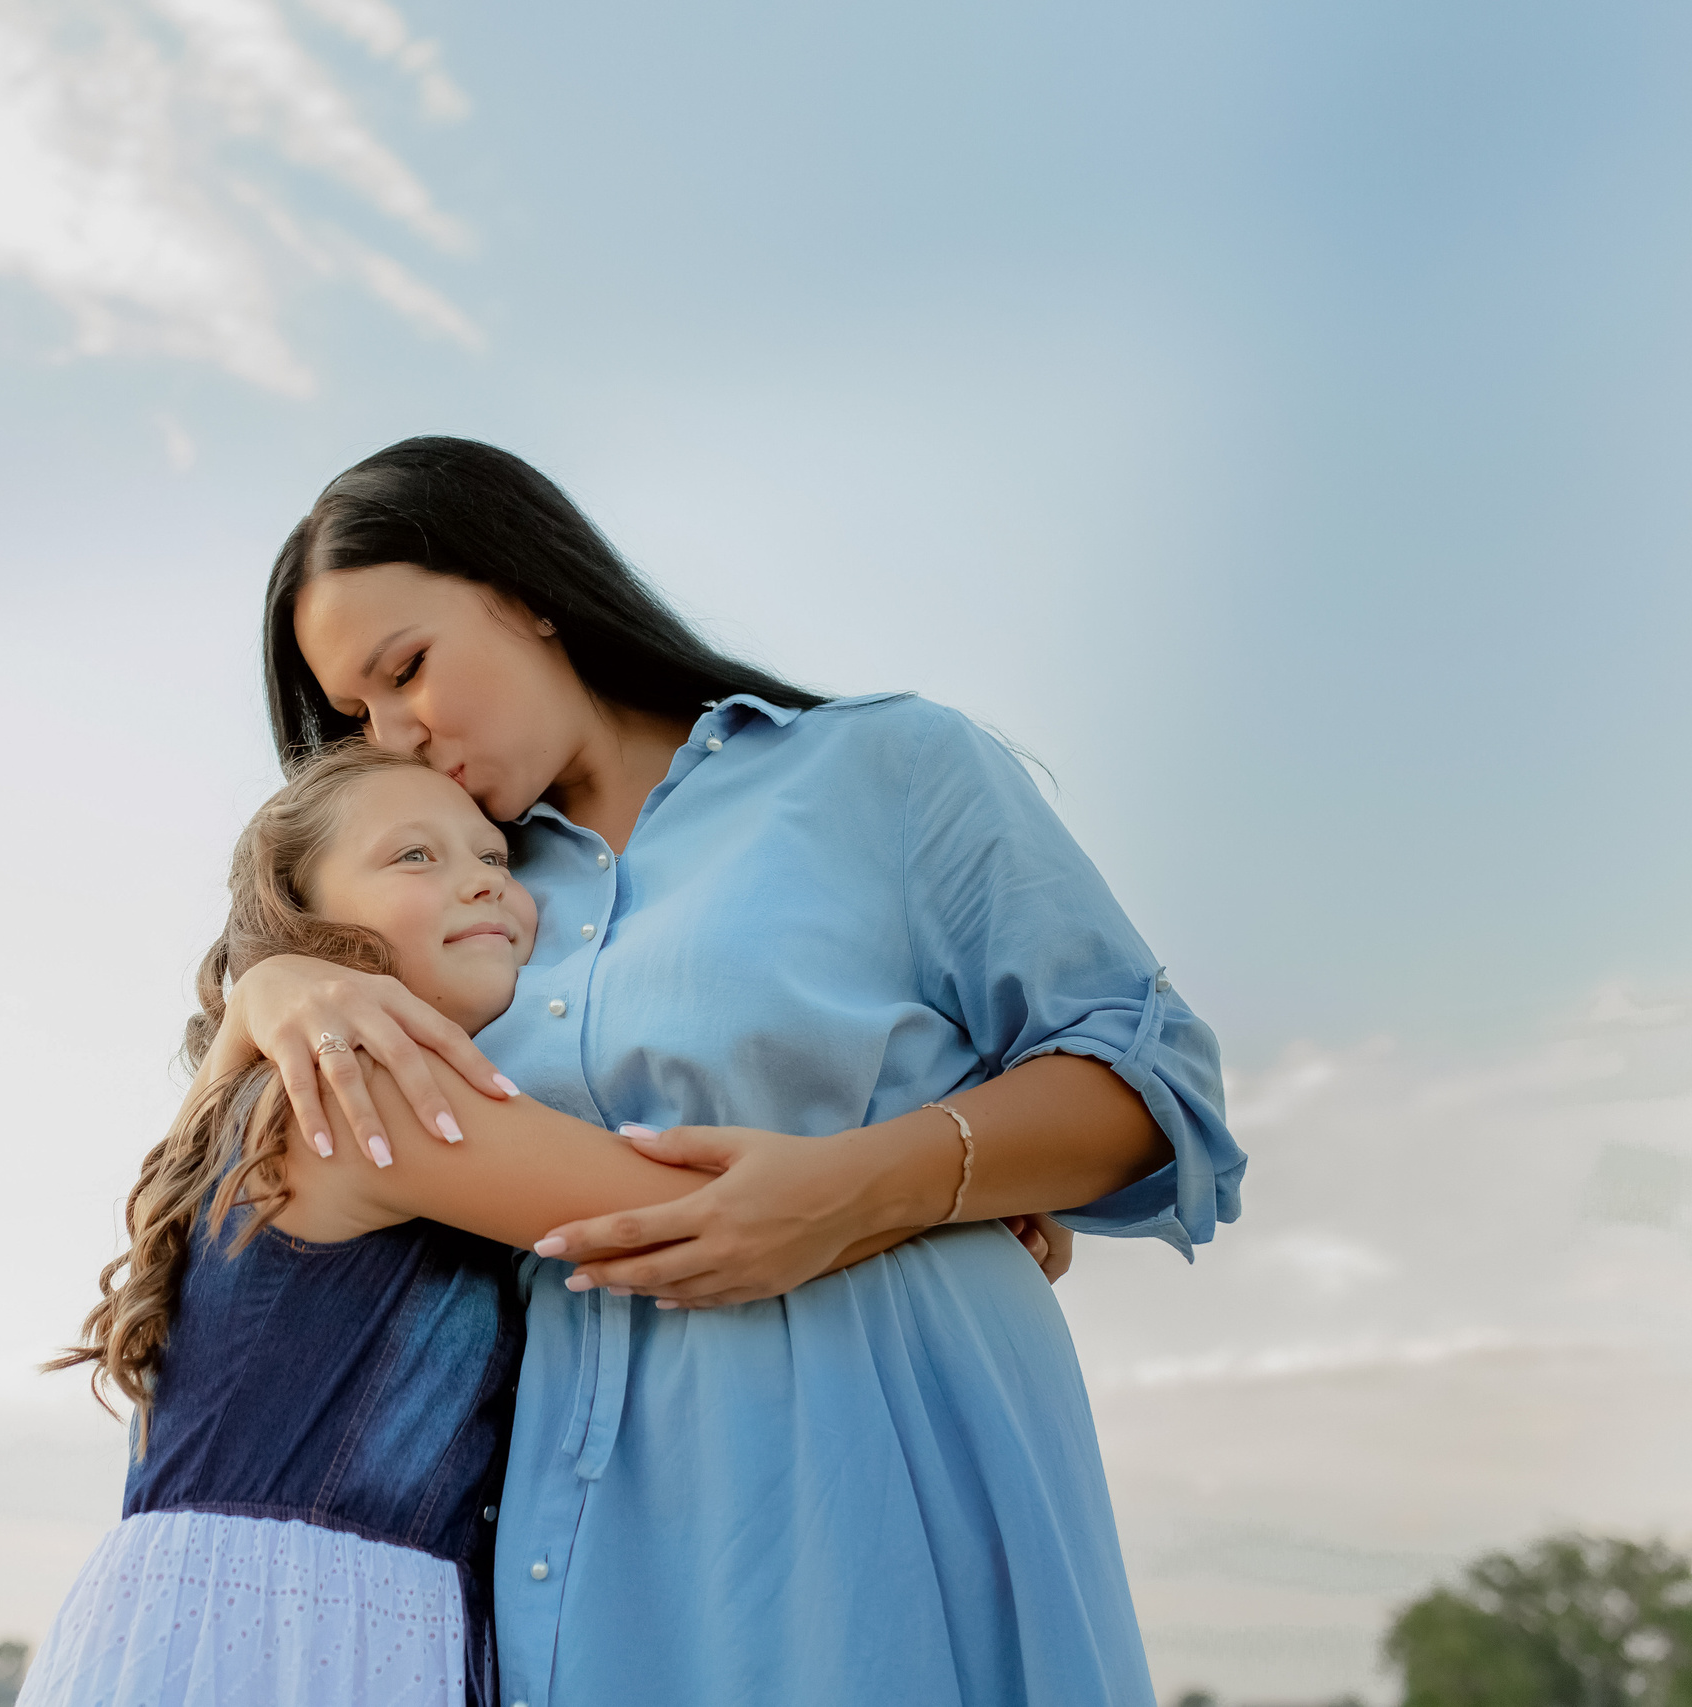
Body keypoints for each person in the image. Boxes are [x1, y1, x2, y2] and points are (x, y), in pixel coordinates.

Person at [201, 437, 1248, 1705]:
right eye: (359, 717)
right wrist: (267, 982)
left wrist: (883, 1180)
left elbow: (1154, 1088)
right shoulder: (461, 896)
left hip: (900, 1468)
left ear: (524, 587)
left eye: (407, 668)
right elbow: (303, 1153)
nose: (398, 734)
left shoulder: (884, 771)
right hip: (585, 1535)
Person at [29, 744, 950, 1707]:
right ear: (306, 926)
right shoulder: (359, 1098)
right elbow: (695, 1213)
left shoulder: (281, 1099)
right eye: (414, 858)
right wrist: (942, 1188)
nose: (480, 883)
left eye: (495, 860)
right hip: (286, 1638)